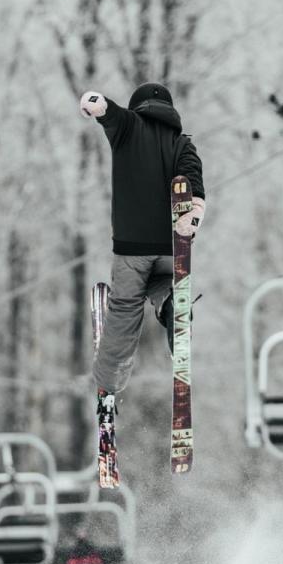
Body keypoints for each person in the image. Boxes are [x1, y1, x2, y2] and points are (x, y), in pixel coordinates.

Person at [79, 83, 206, 488]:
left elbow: (107, 112)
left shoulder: (129, 127)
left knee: (124, 313)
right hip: (171, 246)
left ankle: (108, 384)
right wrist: (192, 215)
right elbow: (194, 185)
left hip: (131, 248)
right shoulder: (181, 142)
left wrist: (94, 102)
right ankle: (173, 310)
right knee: (164, 286)